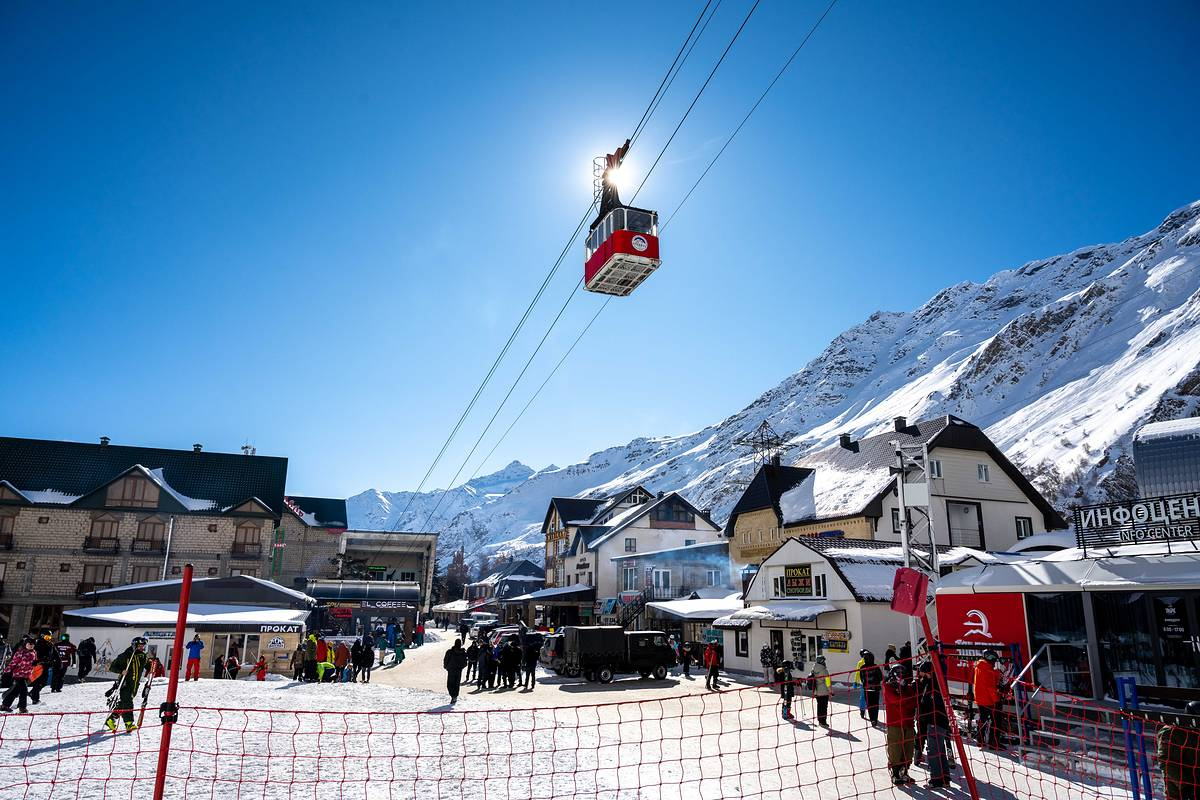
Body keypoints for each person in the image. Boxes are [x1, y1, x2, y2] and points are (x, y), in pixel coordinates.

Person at [917, 660, 951, 788]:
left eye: (922, 673)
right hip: (937, 720)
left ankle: (936, 779)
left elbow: (929, 703)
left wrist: (925, 716)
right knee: (940, 750)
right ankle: (945, 777)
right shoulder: (931, 682)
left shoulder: (934, 686)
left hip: (936, 721)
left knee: (933, 751)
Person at [105, 637, 150, 732]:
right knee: (128, 703)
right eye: (140, 646)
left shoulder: (142, 656)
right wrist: (121, 671)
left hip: (135, 684)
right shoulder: (126, 655)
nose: (142, 648)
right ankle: (129, 723)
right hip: (125, 683)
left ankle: (111, 720)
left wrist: (153, 665)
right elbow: (112, 667)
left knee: (124, 703)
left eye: (143, 646)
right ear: (134, 646)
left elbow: (147, 666)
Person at [1157, 700, 1200, 800]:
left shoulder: (1197, 732)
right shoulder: (1172, 732)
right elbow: (1166, 761)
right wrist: (1185, 786)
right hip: (1178, 790)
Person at [883, 665, 918, 786]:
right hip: (895, 723)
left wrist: (904, 698)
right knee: (895, 748)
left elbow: (913, 702)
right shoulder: (887, 687)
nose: (901, 678)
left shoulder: (907, 688)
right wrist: (905, 700)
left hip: (908, 723)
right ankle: (895, 773)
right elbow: (896, 700)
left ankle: (905, 771)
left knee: (908, 749)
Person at [973, 649, 1002, 750]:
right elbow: (990, 687)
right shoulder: (988, 670)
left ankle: (980, 740)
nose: (994, 663)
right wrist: (996, 700)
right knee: (996, 720)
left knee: (983, 719)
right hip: (989, 699)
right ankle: (993, 742)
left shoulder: (980, 667)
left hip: (980, 698)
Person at [1, 637, 39, 714]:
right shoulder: (20, 653)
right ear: (25, 644)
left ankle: (4, 705)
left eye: (33, 644)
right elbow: (13, 663)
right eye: (29, 644)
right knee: (24, 690)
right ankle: (22, 708)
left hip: (26, 675)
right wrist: (6, 672)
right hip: (18, 674)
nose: (31, 646)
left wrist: (35, 663)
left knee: (16, 691)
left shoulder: (34, 652)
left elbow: (34, 662)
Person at [29, 632, 53, 705]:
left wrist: (53, 661)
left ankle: (32, 693)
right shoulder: (37, 643)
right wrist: (38, 661)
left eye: (49, 638)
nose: (48, 639)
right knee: (38, 682)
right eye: (46, 637)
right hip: (38, 665)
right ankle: (35, 699)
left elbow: (53, 654)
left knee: (44, 682)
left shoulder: (50, 645)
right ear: (42, 636)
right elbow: (33, 654)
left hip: (46, 665)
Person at [808, 655, 831, 727]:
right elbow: (828, 683)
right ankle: (823, 721)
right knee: (824, 707)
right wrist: (831, 691)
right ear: (822, 661)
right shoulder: (824, 671)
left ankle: (820, 720)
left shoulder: (813, 669)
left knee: (819, 706)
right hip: (823, 691)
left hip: (816, 691)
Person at [443, 639, 468, 704]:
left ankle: (453, 696)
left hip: (451, 670)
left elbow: (445, 660)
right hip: (457, 670)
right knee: (456, 684)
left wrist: (446, 667)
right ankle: (454, 696)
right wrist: (461, 667)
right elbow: (465, 663)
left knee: (450, 684)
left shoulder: (450, 651)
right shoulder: (462, 652)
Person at [862, 650, 883, 726]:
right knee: (875, 704)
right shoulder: (876, 667)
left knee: (869, 704)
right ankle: (875, 718)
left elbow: (862, 678)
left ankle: (872, 719)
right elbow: (881, 677)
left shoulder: (862, 667)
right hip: (875, 689)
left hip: (866, 689)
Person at [855, 650, 868, 719]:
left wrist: (856, 682)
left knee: (863, 697)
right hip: (869, 682)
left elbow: (857, 673)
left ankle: (862, 712)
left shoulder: (860, 663)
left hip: (862, 682)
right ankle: (872, 714)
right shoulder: (871, 661)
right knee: (869, 697)